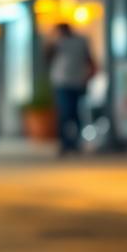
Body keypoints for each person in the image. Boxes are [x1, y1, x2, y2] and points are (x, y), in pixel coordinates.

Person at [47, 22, 95, 156]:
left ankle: (72, 143)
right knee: (67, 113)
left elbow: (89, 59)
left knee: (72, 113)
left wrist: (90, 72)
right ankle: (67, 143)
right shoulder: (59, 43)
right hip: (66, 81)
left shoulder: (77, 41)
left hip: (73, 81)